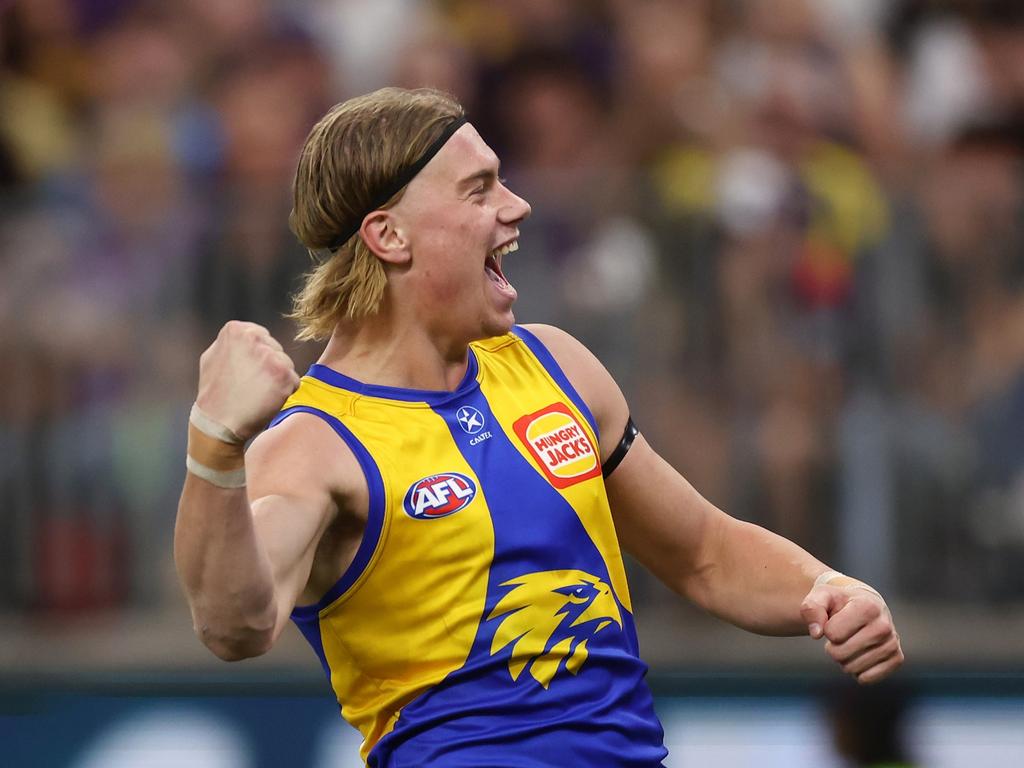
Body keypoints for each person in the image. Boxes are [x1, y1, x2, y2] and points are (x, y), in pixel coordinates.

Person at [174, 87, 904, 767]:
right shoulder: (313, 444)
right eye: (479, 188)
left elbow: (704, 553)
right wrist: (216, 445)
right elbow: (235, 625)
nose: (518, 206)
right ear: (389, 234)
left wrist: (825, 585)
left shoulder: (557, 366)